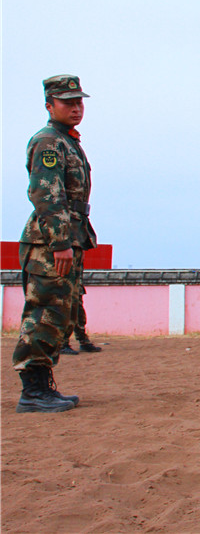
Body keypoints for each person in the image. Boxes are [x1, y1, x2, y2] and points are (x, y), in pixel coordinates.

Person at [13, 74, 96, 413]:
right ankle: (32, 391)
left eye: (79, 102)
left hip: (68, 238)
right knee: (45, 312)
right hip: (51, 242)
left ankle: (42, 385)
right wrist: (61, 242)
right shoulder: (48, 141)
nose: (76, 108)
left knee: (61, 313)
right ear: (49, 105)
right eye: (67, 102)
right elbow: (46, 194)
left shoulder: (67, 141)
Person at [61, 286, 102, 354]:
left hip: (75, 289)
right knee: (67, 317)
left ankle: (84, 341)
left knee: (79, 316)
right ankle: (62, 344)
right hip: (64, 289)